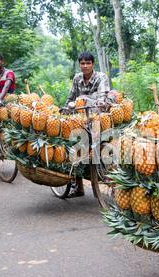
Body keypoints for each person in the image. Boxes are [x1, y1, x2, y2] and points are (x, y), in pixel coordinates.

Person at [64, 52, 110, 198]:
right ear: (80, 65)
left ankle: (107, 177)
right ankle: (77, 186)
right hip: (80, 119)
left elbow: (103, 97)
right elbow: (70, 98)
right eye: (82, 63)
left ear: (93, 64)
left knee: (106, 145)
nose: (85, 66)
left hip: (98, 117)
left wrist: (87, 100)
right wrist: (65, 110)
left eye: (88, 63)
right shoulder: (77, 78)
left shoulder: (101, 77)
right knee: (74, 146)